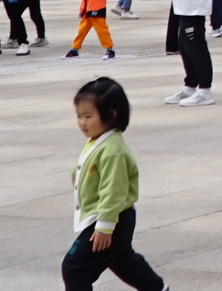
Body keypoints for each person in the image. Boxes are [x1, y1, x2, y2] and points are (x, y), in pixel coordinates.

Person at [63, 77, 165, 291]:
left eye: (88, 116)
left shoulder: (112, 150)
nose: (82, 122)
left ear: (112, 114)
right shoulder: (99, 141)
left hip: (111, 219)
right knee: (123, 261)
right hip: (113, 218)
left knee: (75, 268)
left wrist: (104, 226)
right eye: (79, 116)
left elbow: (113, 191)